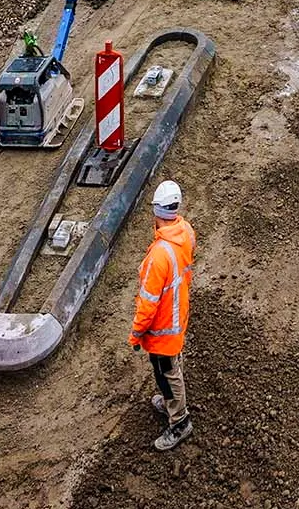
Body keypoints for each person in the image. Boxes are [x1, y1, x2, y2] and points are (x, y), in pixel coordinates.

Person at [129, 179, 196, 451]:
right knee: (171, 368)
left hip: (162, 328)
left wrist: (136, 333)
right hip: (178, 316)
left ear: (156, 212)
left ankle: (179, 421)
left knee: (167, 373)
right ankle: (170, 405)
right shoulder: (185, 232)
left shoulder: (159, 254)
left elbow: (147, 303)